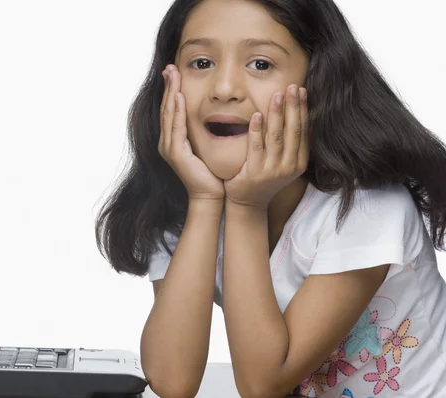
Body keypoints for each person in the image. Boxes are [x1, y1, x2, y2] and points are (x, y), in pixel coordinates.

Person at [94, 0, 446, 396]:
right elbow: (173, 382)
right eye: (201, 63)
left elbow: (263, 383)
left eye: (260, 64)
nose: (224, 89)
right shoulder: (181, 207)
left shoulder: (366, 208)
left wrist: (246, 206)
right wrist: (206, 202)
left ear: (317, 82)